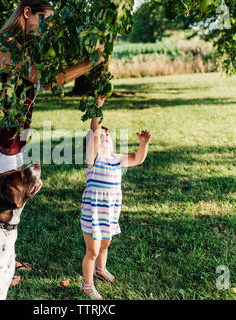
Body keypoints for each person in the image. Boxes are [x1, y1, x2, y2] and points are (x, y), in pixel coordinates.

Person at [0, 0, 105, 287]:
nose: (48, 28)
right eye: (44, 20)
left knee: (6, 209)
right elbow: (46, 79)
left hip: (10, 139)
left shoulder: (29, 46)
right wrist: (89, 63)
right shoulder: (7, 44)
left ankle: (6, 262)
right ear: (27, 12)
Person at [79, 95, 152, 300]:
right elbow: (94, 131)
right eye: (101, 136)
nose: (105, 137)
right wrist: (97, 108)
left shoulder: (116, 159)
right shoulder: (94, 159)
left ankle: (101, 269)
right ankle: (86, 285)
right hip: (93, 212)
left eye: (108, 135)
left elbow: (138, 159)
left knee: (105, 243)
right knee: (92, 250)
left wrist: (144, 144)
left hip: (109, 211)